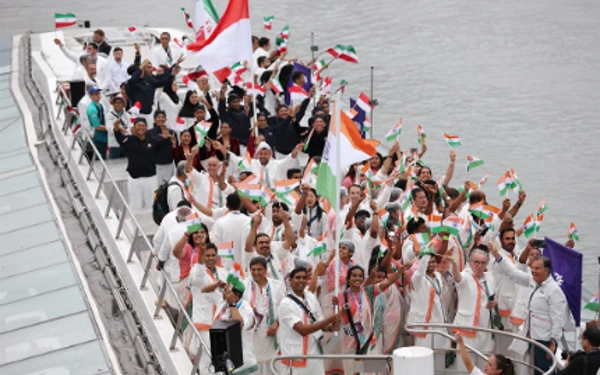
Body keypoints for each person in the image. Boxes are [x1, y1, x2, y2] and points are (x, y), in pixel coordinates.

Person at [488, 240, 567, 375]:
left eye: (537, 269)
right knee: (530, 369)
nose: (533, 271)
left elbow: (558, 319)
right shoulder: (532, 281)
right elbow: (513, 273)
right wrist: (496, 255)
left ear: (546, 270)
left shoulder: (553, 291)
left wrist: (553, 343)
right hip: (531, 337)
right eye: (533, 268)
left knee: (544, 372)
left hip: (545, 341)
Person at [277, 267, 341, 375]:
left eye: (303, 278)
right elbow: (302, 330)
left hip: (314, 352)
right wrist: (328, 320)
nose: (301, 280)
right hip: (296, 356)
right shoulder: (285, 304)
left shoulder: (310, 297)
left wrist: (330, 327)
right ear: (290, 281)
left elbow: (318, 321)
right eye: (298, 277)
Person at [449, 247, 497, 370]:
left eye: (483, 263)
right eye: (476, 262)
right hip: (467, 329)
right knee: (464, 366)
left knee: (483, 365)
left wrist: (494, 302)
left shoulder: (489, 278)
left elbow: (492, 296)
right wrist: (454, 265)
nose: (479, 266)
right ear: (470, 263)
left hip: (485, 329)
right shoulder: (465, 276)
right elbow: (457, 278)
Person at [114, 117, 171, 212]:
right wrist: (116, 127)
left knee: (152, 204)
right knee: (135, 205)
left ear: (146, 127)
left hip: (150, 178)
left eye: (143, 126)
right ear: (134, 128)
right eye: (138, 126)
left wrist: (166, 139)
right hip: (134, 179)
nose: (141, 128)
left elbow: (163, 145)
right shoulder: (129, 140)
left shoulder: (152, 140)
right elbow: (119, 137)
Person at [243, 257, 286, 375]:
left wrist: (277, 324)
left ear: (265, 270)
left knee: (272, 368)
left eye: (259, 269)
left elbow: (285, 309)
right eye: (253, 270)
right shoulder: (244, 285)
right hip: (251, 335)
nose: (256, 273)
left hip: (271, 333)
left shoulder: (276, 286)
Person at [189, 243, 228, 368]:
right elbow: (198, 280)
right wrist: (217, 284)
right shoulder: (196, 271)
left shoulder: (223, 271)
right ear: (202, 257)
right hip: (204, 321)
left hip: (221, 322)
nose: (211, 258)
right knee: (208, 357)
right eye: (207, 256)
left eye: (213, 255)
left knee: (221, 356)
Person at [126, 57, 181, 126]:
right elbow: (132, 80)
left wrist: (173, 69)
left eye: (151, 67)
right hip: (137, 115)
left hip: (149, 114)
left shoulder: (149, 80)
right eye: (147, 68)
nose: (151, 70)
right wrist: (142, 66)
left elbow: (162, 80)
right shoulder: (132, 84)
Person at [147, 110, 177, 184]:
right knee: (157, 187)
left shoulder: (172, 132)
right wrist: (163, 139)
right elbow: (152, 146)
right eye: (158, 117)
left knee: (169, 185)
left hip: (169, 164)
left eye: (163, 117)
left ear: (166, 119)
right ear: (154, 119)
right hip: (156, 165)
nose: (161, 119)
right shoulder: (149, 133)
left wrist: (173, 143)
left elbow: (176, 148)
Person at [106, 95, 131, 159]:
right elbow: (109, 127)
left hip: (125, 143)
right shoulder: (109, 115)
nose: (118, 105)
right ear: (113, 104)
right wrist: (118, 128)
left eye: (120, 103)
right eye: (116, 103)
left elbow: (130, 126)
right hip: (114, 144)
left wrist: (126, 131)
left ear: (123, 104)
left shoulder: (127, 115)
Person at [86, 87, 108, 159]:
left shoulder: (99, 105)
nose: (98, 96)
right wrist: (110, 128)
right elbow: (96, 126)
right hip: (97, 137)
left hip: (103, 136)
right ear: (91, 96)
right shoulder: (92, 109)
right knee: (100, 157)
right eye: (95, 94)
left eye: (99, 93)